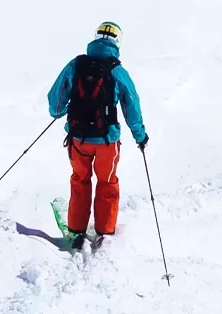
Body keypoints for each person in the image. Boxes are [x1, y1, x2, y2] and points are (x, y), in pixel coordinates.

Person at [48, 21, 148, 246]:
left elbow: (55, 101)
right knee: (107, 183)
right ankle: (105, 231)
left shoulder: (76, 65)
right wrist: (140, 136)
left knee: (80, 180)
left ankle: (76, 230)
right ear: (118, 42)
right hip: (107, 141)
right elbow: (131, 104)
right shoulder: (117, 70)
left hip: (77, 139)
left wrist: (61, 111)